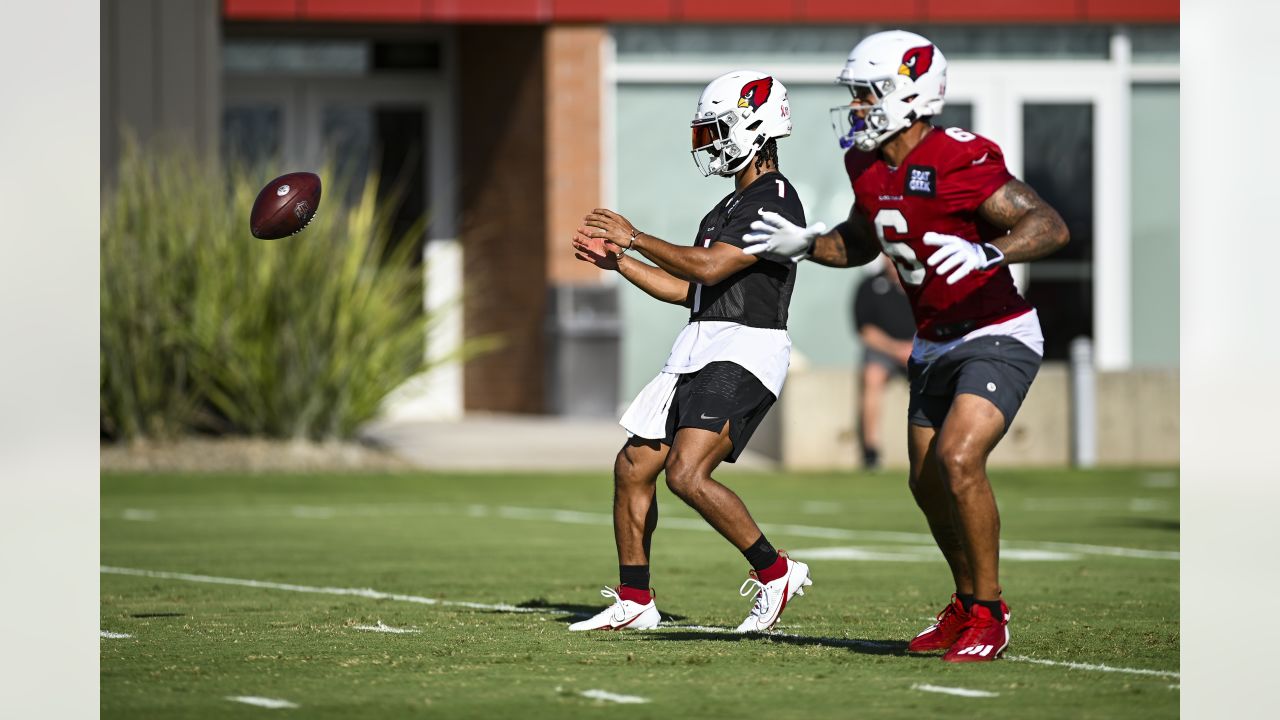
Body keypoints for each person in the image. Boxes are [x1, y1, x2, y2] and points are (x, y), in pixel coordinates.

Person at [742, 30, 1069, 662]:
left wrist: (988, 249)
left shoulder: (960, 157)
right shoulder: (864, 164)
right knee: (925, 481)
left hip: (996, 331)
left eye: (867, 94)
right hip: (932, 340)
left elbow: (1048, 224)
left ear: (910, 94)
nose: (858, 106)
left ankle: (989, 613)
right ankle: (965, 601)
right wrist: (807, 244)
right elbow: (862, 241)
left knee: (957, 458)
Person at [567, 70, 812, 633]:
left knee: (686, 472)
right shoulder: (725, 207)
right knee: (633, 466)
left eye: (717, 130)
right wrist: (620, 263)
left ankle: (777, 572)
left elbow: (711, 266)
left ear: (755, 124)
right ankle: (635, 600)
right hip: (701, 343)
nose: (711, 143)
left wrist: (636, 237)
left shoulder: (776, 198)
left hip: (746, 348)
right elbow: (690, 290)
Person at [852, 256, 914, 470]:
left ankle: (936, 444)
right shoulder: (869, 286)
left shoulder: (920, 284)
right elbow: (865, 331)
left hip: (920, 349)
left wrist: (915, 347)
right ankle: (871, 451)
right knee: (872, 375)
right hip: (884, 351)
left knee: (938, 378)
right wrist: (897, 349)